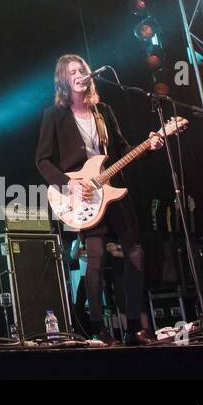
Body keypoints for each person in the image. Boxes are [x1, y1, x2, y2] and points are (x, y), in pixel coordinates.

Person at [35, 54, 161, 345]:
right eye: (72, 72)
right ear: (63, 81)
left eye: (82, 70)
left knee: (135, 254)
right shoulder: (54, 115)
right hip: (83, 196)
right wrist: (70, 184)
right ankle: (96, 329)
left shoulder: (103, 111)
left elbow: (122, 148)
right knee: (95, 257)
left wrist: (149, 146)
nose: (79, 75)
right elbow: (42, 161)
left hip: (113, 191)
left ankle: (132, 328)